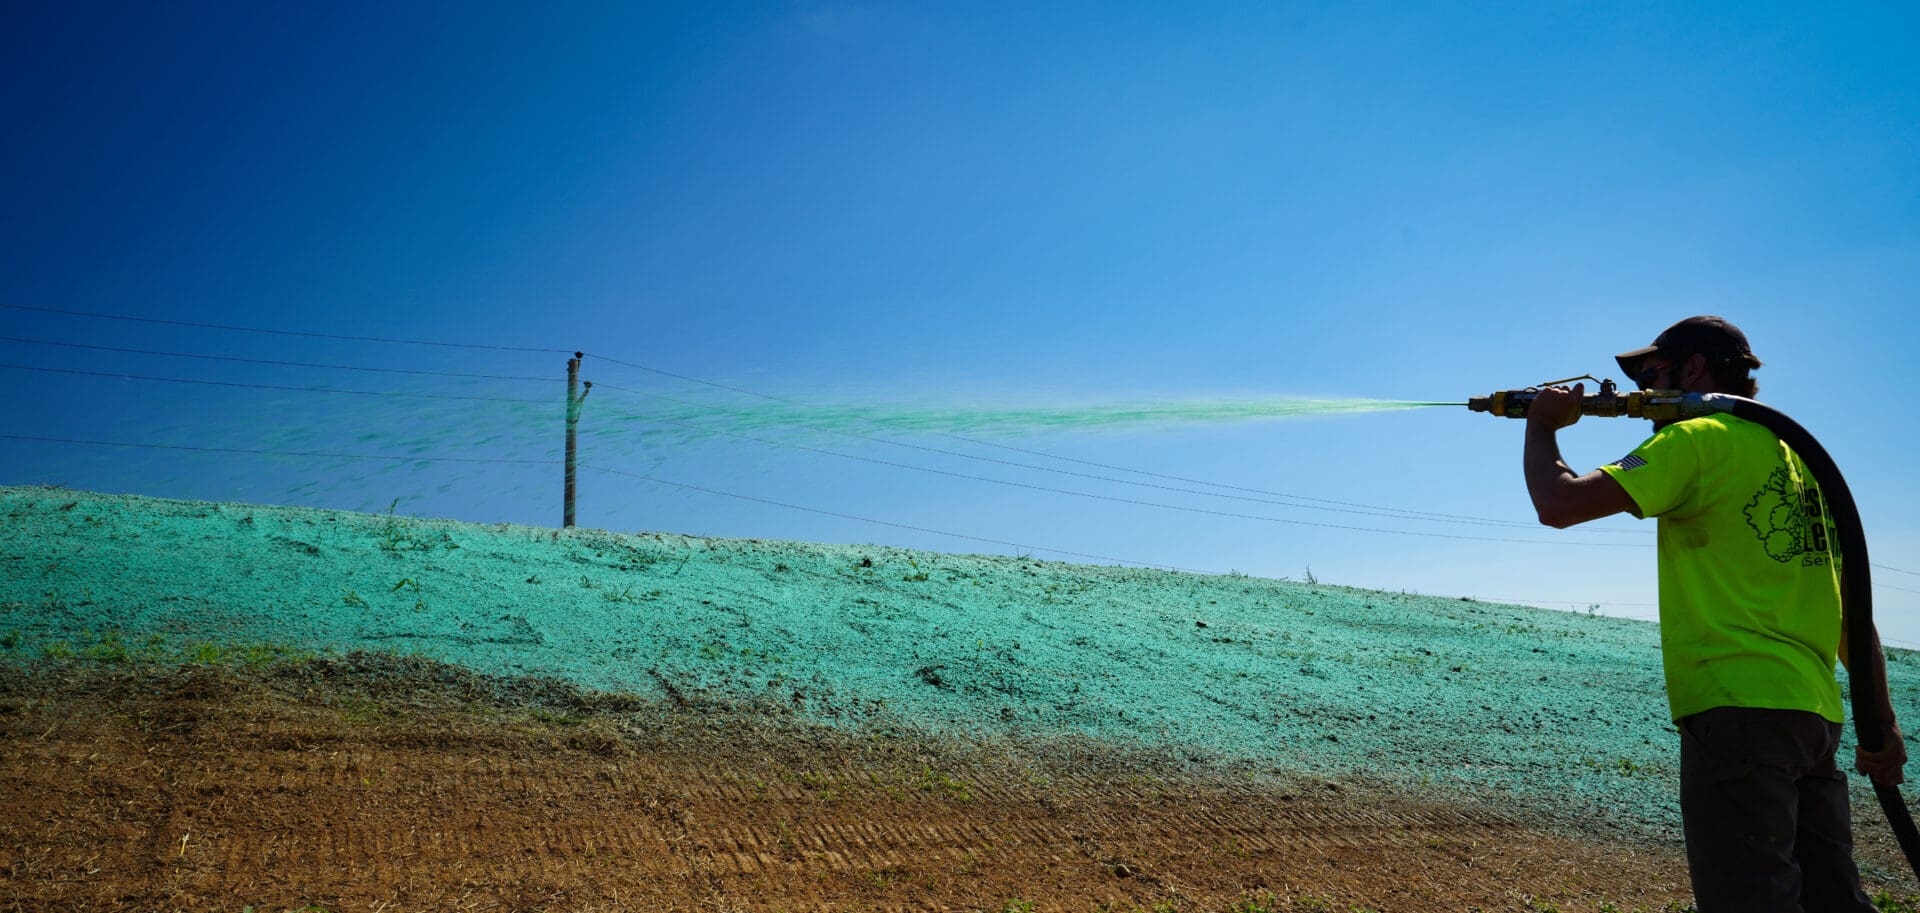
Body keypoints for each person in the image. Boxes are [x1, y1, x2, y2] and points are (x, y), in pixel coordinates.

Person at [1519, 315, 1906, 913]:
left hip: (1737, 710)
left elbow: (1559, 503)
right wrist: (1881, 724)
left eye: (1650, 376)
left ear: (1694, 369)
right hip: (1813, 718)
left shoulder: (1693, 440)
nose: (1641, 393)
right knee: (1834, 900)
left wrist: (1542, 428)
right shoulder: (1798, 463)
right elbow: (1853, 611)